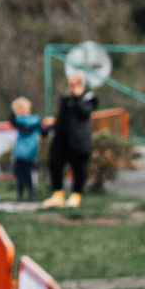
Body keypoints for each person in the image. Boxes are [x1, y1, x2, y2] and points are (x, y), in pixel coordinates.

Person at [46, 71, 98, 207]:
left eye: (75, 84)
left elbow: (84, 112)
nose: (72, 87)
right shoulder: (65, 98)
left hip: (78, 139)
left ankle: (76, 195)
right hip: (61, 138)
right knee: (55, 163)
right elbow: (62, 117)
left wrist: (77, 97)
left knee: (78, 167)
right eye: (70, 84)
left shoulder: (88, 98)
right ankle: (58, 194)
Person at [9, 97, 42, 203]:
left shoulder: (19, 121)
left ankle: (21, 196)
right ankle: (30, 196)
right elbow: (43, 131)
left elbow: (12, 120)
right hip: (31, 152)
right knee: (28, 174)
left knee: (20, 175)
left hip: (20, 153)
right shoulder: (36, 120)